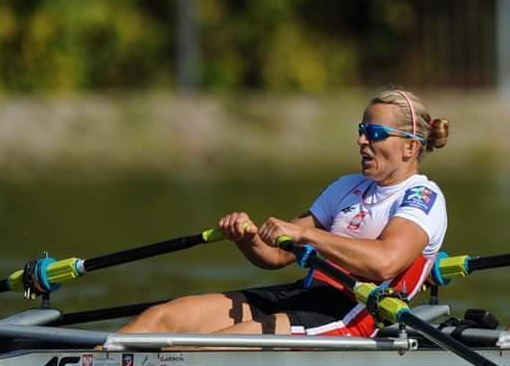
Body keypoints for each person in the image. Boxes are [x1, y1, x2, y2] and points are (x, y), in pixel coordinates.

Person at [119, 88, 449, 337]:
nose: (362, 140)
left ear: (411, 146)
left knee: (214, 344)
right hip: (305, 295)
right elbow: (277, 257)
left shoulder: (422, 197)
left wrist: (307, 234)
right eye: (361, 130)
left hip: (359, 313)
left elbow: (385, 262)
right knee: (161, 318)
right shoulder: (347, 186)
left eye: (374, 134)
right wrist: (247, 238)